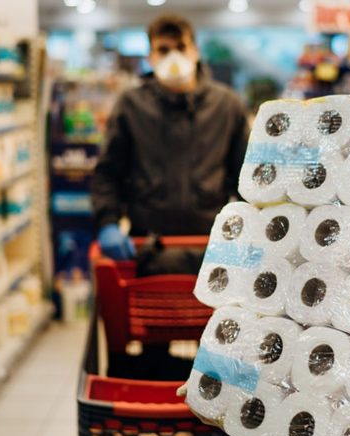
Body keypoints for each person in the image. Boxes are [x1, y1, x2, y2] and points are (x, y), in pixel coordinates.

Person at [91, 13, 249, 259]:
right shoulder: (131, 106)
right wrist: (108, 222)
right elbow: (107, 173)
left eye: (181, 47)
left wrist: (250, 226)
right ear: (150, 58)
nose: (173, 57)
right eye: (163, 50)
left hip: (213, 249)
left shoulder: (227, 106)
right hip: (147, 249)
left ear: (195, 51)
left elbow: (247, 178)